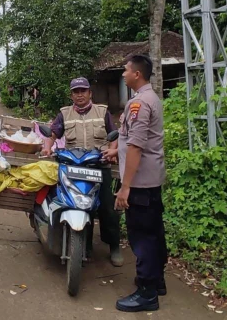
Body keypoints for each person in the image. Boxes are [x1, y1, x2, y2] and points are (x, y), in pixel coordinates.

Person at [41, 77, 123, 267]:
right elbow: (52, 134)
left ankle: (114, 246)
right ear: (71, 95)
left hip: (98, 166)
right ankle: (82, 246)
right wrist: (47, 148)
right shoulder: (64, 114)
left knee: (106, 208)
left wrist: (112, 151)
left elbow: (114, 135)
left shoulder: (102, 111)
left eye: (83, 91)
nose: (80, 95)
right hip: (74, 167)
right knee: (74, 204)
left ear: (90, 93)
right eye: (76, 92)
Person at [107, 55, 167, 313]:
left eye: (126, 70)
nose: (123, 74)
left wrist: (125, 186)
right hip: (151, 179)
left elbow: (136, 145)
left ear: (137, 75)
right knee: (154, 232)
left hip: (140, 183)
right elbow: (132, 141)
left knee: (142, 237)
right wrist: (114, 152)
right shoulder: (150, 98)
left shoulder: (139, 104)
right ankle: (157, 281)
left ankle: (146, 292)